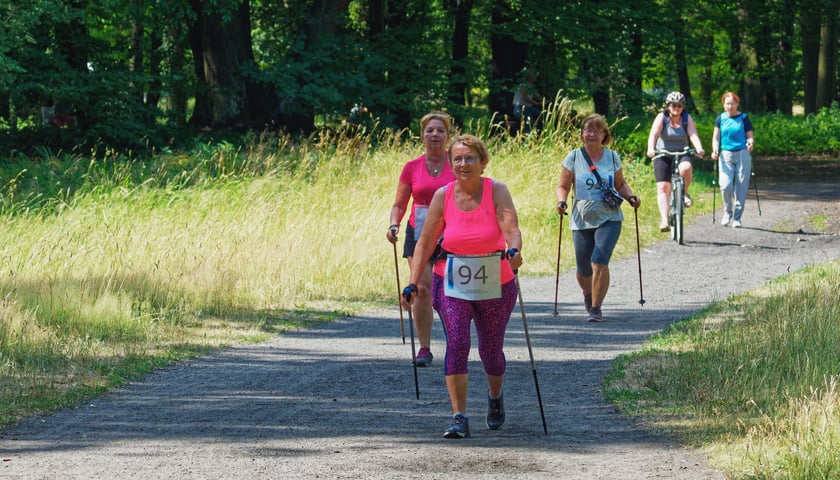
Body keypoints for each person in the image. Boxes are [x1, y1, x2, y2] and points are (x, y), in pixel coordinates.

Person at [402, 134, 523, 439]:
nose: (463, 164)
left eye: (470, 158)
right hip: (452, 278)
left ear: (483, 162)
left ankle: (495, 397)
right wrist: (413, 281)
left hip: (495, 280)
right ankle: (459, 416)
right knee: (457, 342)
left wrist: (515, 250)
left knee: (490, 351)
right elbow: (426, 242)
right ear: (450, 162)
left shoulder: (496, 190)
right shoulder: (443, 195)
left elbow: (511, 228)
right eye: (457, 158)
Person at [556, 114, 641, 322]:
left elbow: (620, 184)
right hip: (581, 217)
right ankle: (587, 293)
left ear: (604, 135)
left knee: (599, 261)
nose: (592, 134)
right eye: (588, 130)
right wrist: (561, 201)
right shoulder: (574, 157)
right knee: (583, 269)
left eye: (597, 130)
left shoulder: (612, 157)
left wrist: (630, 197)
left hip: (609, 216)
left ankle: (596, 307)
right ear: (582, 134)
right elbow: (563, 186)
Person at [387, 112, 456, 367]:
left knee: (451, 292)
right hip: (418, 233)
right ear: (422, 135)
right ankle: (425, 348)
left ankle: (455, 343)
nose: (435, 135)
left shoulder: (457, 163)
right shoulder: (411, 167)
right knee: (422, 289)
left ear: (448, 136)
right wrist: (393, 224)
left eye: (440, 130)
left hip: (452, 233)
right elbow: (399, 204)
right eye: (430, 130)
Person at [646, 91, 705, 232]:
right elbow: (653, 135)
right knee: (663, 188)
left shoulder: (686, 118)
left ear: (683, 107)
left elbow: (692, 134)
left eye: (679, 105)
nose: (676, 108)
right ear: (668, 106)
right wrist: (650, 149)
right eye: (673, 105)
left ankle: (683, 193)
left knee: (686, 168)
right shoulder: (662, 118)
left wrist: (699, 148)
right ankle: (665, 220)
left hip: (682, 152)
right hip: (663, 153)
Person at [711, 92, 755, 228]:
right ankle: (727, 212)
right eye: (727, 103)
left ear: (737, 103)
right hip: (725, 155)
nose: (730, 106)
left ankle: (737, 218)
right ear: (723, 104)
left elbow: (750, 136)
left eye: (733, 103)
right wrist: (715, 150)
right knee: (725, 185)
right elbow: (716, 137)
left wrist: (750, 143)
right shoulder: (720, 118)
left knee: (741, 188)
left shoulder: (744, 118)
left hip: (742, 154)